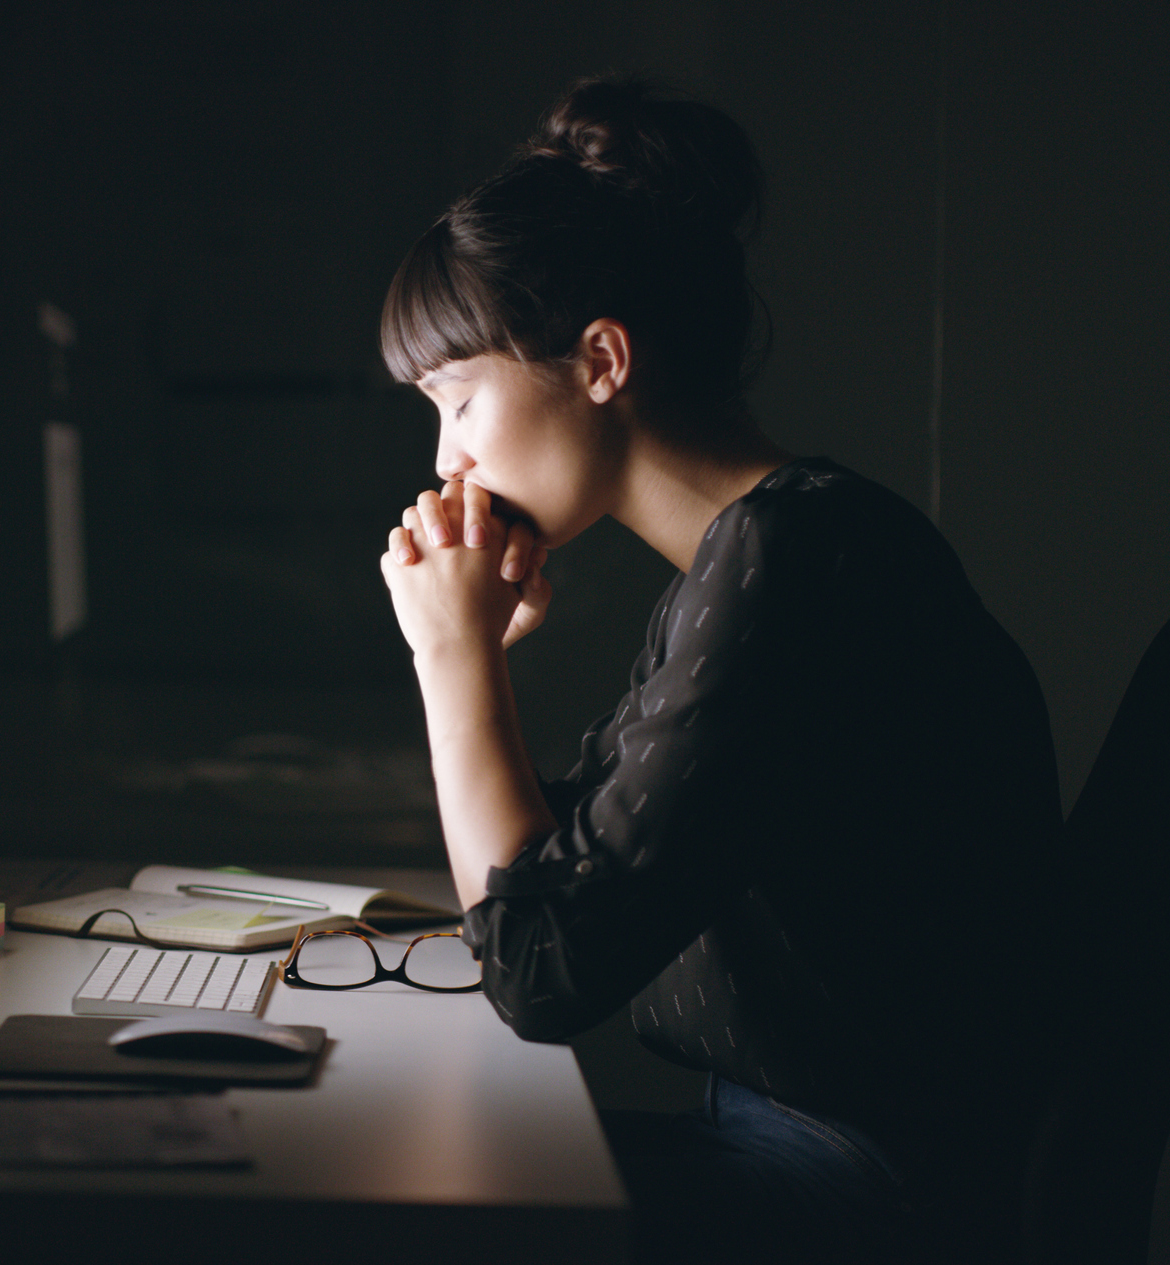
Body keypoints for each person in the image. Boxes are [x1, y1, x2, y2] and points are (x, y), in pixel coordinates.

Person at [374, 76, 1070, 1264]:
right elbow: (562, 880)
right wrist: (472, 650)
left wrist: (453, 664)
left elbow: (540, 969)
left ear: (599, 359)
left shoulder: (788, 560)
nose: (447, 462)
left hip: (858, 1194)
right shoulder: (750, 558)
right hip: (798, 1150)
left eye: (458, 400)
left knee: (372, 1201)